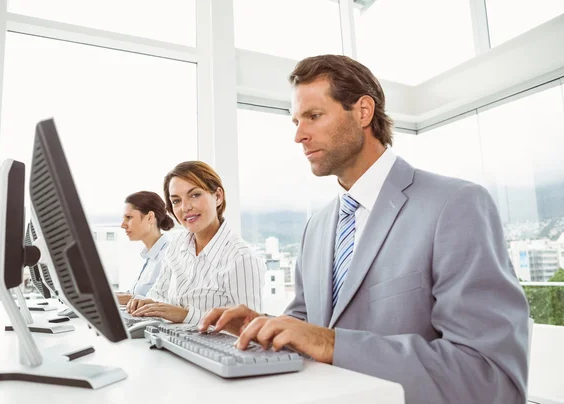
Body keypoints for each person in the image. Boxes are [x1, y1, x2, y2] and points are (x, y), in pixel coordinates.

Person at [200, 55, 530, 404]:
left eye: (313, 116)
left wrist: (330, 343)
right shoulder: (318, 226)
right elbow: (307, 323)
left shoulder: (456, 205)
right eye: (296, 121)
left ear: (363, 112)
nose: (299, 135)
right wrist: (263, 327)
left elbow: (490, 377)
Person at [127, 161, 265, 325]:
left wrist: (186, 315)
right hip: (166, 343)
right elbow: (158, 295)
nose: (185, 207)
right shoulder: (176, 244)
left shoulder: (242, 258)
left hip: (212, 350)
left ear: (218, 196)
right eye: (176, 201)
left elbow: (250, 329)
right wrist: (146, 304)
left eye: (195, 195)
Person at [116, 191, 175, 305]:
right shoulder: (150, 257)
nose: (123, 224)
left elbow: (161, 302)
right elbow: (134, 294)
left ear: (150, 217)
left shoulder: (169, 254)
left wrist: (109, 299)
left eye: (129, 217)